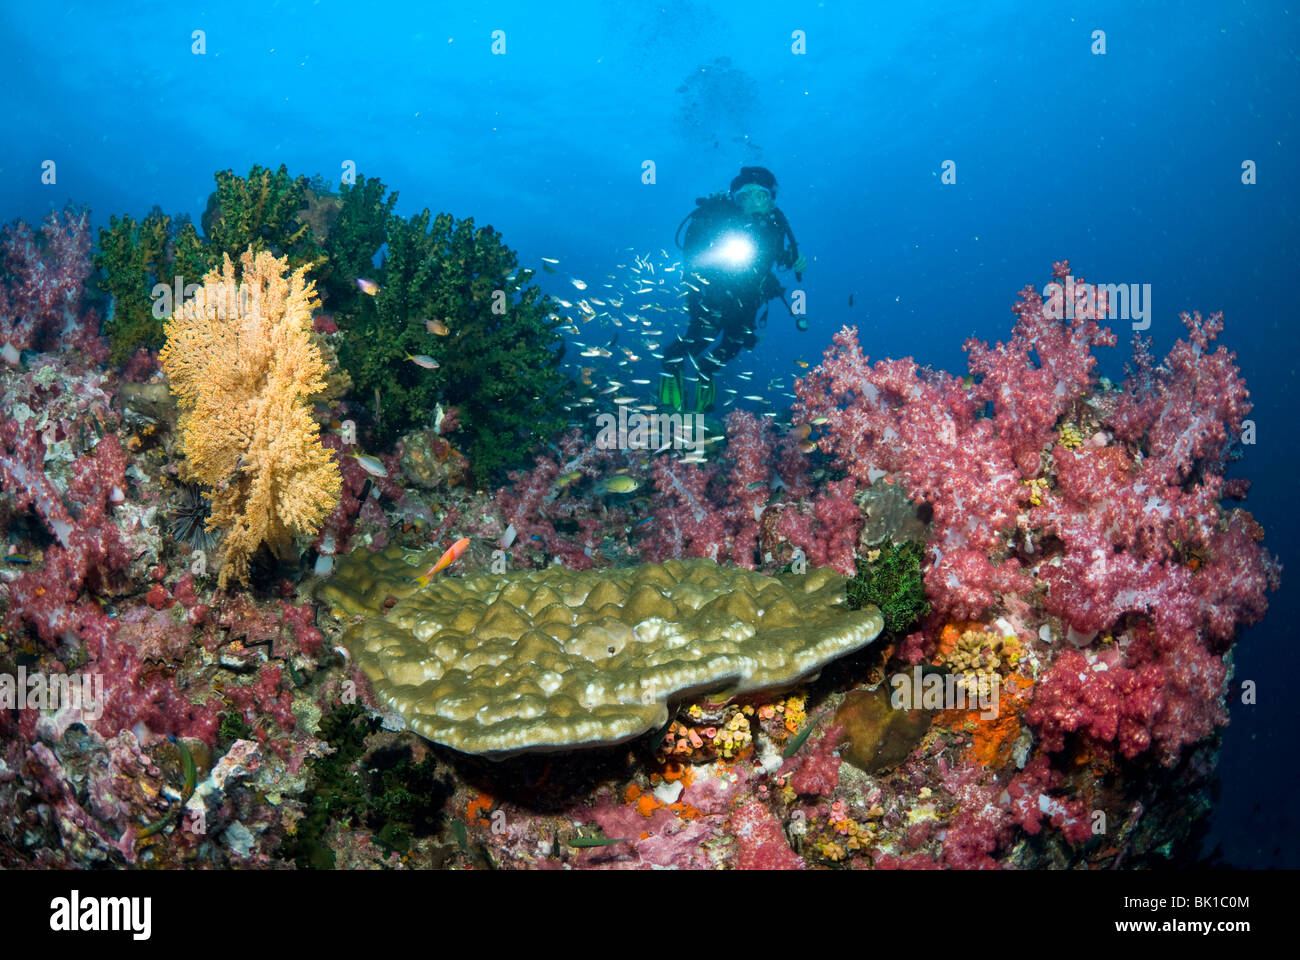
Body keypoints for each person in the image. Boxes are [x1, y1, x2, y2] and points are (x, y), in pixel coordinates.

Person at [658, 166, 808, 412]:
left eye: (760, 195)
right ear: (734, 198)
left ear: (771, 198)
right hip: (711, 295)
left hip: (748, 298)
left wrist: (791, 257)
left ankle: (705, 374)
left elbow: (775, 255)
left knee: (733, 345)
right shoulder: (717, 217)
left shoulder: (776, 223)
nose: (752, 202)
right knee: (696, 339)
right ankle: (671, 373)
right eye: (744, 196)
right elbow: (693, 257)